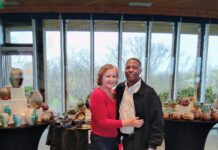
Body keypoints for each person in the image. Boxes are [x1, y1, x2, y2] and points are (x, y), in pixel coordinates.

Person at [89, 64, 144, 150]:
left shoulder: (114, 93)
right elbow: (102, 122)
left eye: (114, 76)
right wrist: (128, 122)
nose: (111, 79)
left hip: (114, 138)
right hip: (100, 140)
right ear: (101, 78)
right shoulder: (97, 94)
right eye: (108, 76)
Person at [116, 58, 164, 150]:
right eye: (128, 67)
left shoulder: (149, 93)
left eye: (134, 67)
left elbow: (157, 121)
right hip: (121, 141)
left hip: (140, 143)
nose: (130, 70)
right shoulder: (119, 89)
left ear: (140, 71)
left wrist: (153, 145)